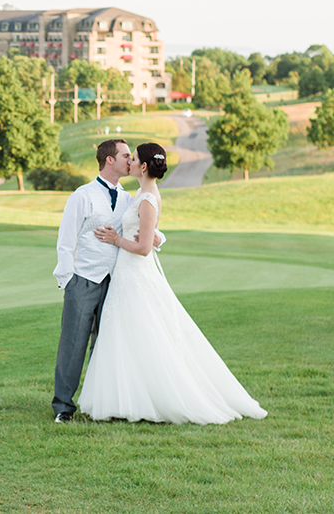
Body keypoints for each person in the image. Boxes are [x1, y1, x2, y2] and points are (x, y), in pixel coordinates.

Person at [78, 143, 267, 424]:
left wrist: (117, 240)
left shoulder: (148, 198)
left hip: (136, 273)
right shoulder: (140, 194)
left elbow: (143, 248)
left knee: (144, 332)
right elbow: (147, 231)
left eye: (133, 158)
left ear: (143, 167)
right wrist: (155, 235)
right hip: (126, 274)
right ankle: (126, 398)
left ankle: (154, 398)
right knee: (126, 335)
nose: (128, 161)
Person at [51, 139, 162, 423]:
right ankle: (63, 407)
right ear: (110, 160)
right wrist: (68, 280)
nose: (131, 160)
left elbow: (149, 230)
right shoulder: (82, 195)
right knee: (73, 344)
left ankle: (102, 404)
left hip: (117, 281)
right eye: (126, 155)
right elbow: (66, 242)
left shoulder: (129, 198)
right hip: (84, 280)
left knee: (107, 346)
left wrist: (157, 238)